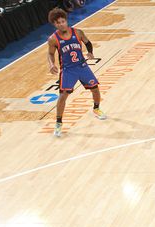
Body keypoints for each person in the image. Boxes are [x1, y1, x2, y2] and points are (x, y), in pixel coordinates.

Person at [46, 7, 106, 138]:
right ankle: (58, 123)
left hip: (82, 66)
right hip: (68, 70)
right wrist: (51, 64)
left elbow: (88, 42)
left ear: (66, 21)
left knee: (95, 89)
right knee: (63, 97)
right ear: (54, 24)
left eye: (62, 21)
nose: (61, 24)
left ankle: (96, 109)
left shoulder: (78, 32)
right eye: (58, 23)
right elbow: (50, 54)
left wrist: (90, 52)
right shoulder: (53, 39)